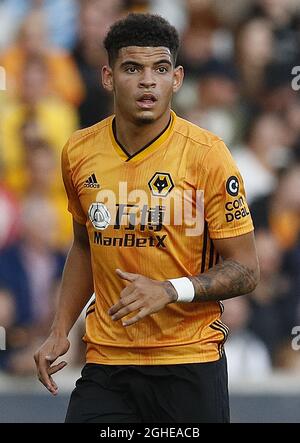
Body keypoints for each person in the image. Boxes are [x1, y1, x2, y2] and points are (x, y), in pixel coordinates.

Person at [34, 13, 259, 423]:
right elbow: (85, 245)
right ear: (107, 76)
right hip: (108, 364)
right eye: (132, 68)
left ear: (177, 78)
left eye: (160, 69)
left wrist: (172, 290)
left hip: (189, 362)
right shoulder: (79, 152)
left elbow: (246, 269)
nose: (147, 81)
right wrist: (59, 330)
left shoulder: (208, 156)